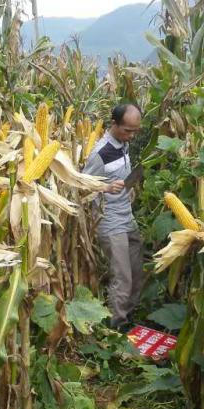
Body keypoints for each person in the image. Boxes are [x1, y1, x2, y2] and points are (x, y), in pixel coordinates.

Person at [82, 103, 144, 331]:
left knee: (137, 269)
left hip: (127, 217)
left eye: (135, 131)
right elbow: (81, 185)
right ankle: (116, 326)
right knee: (122, 276)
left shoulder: (123, 145)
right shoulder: (101, 153)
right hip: (109, 220)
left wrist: (129, 187)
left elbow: (119, 174)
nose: (132, 135)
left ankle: (129, 315)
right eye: (128, 130)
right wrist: (106, 188)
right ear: (114, 124)